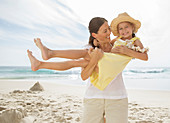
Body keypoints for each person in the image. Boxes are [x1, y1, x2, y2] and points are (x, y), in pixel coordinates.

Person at [27, 13, 148, 122]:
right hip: (95, 92)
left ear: (132, 27)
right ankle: (43, 61)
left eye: (109, 30)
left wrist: (127, 51)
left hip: (115, 91)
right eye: (105, 31)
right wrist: (95, 54)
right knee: (77, 61)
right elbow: (84, 76)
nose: (110, 33)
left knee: (81, 58)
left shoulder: (130, 41)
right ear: (95, 35)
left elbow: (144, 56)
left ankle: (49, 56)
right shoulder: (110, 42)